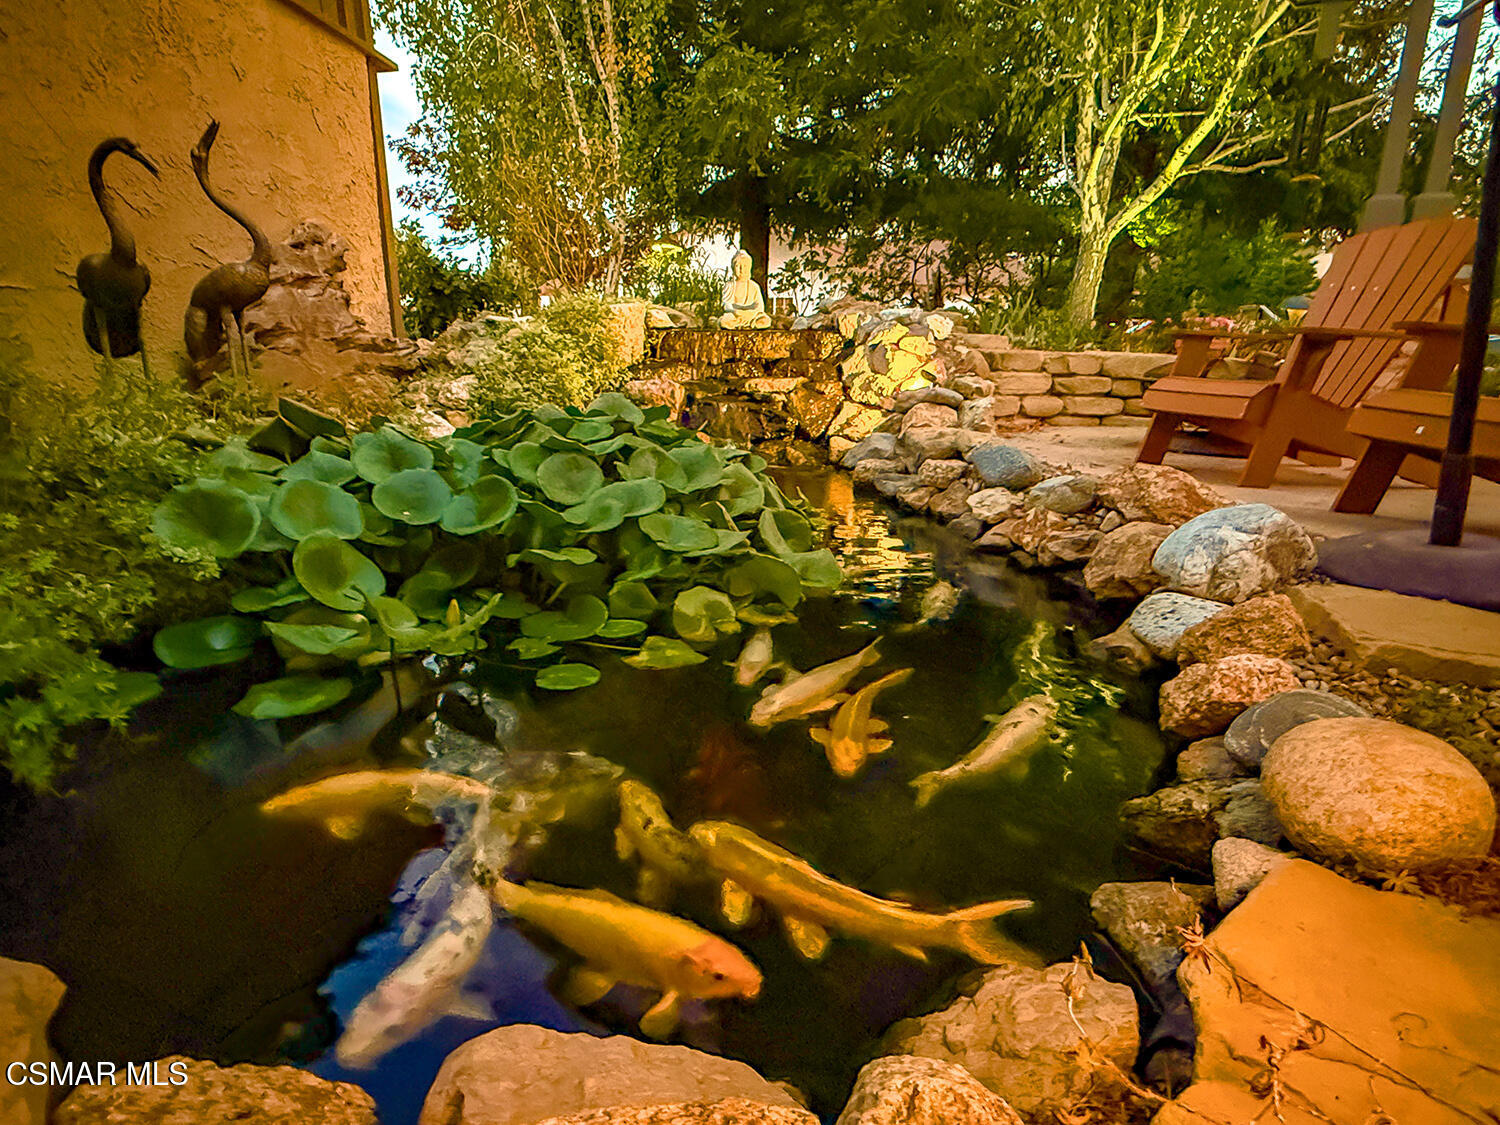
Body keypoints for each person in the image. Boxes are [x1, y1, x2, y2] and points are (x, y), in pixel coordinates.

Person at [718, 250, 772, 329]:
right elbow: (726, 305)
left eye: (745, 266)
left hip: (752, 316)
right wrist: (736, 312)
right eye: (738, 266)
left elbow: (760, 307)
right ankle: (740, 324)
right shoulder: (730, 285)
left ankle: (752, 324)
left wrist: (750, 313)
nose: (741, 269)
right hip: (735, 315)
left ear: (750, 267)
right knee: (724, 321)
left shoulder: (754, 286)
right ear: (733, 268)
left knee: (765, 321)